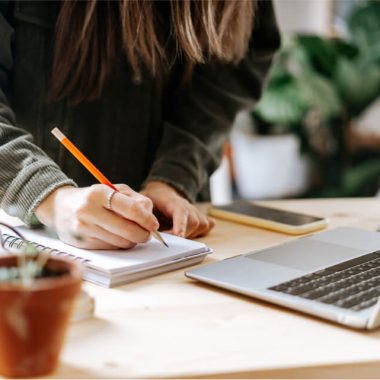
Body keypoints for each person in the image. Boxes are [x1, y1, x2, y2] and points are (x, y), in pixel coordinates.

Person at [0, 0, 280, 249]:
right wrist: (48, 196)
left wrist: (174, 177)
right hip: (24, 238)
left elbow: (233, 72)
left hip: (170, 237)